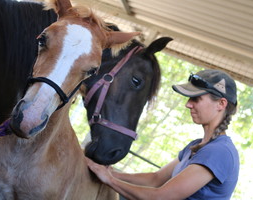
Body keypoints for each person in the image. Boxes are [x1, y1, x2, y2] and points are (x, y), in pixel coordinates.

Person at [86, 69, 240, 200]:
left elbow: (161, 196)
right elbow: (156, 179)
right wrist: (112, 173)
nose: (188, 104)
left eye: (196, 99)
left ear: (221, 104)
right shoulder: (196, 145)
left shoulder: (220, 152)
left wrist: (110, 180)